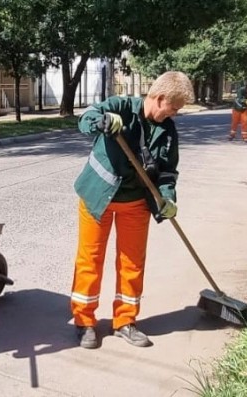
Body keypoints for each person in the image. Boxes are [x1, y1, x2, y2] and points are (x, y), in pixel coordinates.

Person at [70, 71, 194, 349]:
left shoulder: (169, 132)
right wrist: (102, 121)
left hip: (136, 203)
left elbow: (168, 172)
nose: (174, 114)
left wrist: (167, 199)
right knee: (90, 259)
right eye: (173, 108)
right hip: (97, 198)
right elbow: (86, 117)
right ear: (160, 98)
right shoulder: (121, 107)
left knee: (132, 262)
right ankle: (84, 321)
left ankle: (125, 321)